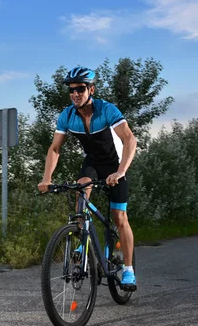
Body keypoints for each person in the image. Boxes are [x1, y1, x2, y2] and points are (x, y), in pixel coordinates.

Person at [37, 66, 138, 290]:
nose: (75, 94)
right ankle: (82, 241)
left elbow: (130, 140)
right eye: (71, 90)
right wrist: (47, 178)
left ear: (91, 89)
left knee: (119, 217)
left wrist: (121, 171)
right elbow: (55, 149)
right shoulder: (67, 116)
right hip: (92, 163)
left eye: (80, 89)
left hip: (115, 164)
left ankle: (129, 270)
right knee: (80, 190)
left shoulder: (107, 110)